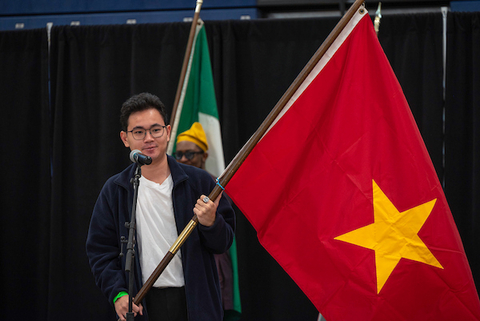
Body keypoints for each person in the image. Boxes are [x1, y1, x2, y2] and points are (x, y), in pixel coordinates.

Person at [86, 92, 235, 321]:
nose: (148, 138)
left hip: (194, 303)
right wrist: (118, 294)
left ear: (167, 132)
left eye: (155, 130)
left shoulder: (200, 182)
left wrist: (211, 223)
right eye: (139, 132)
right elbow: (100, 251)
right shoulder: (115, 189)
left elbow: (223, 242)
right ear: (125, 138)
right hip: (144, 304)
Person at [174, 123, 239, 320]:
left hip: (209, 271)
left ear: (204, 156)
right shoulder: (169, 184)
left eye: (190, 154)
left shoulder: (214, 187)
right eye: (179, 155)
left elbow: (224, 236)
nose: (184, 159)